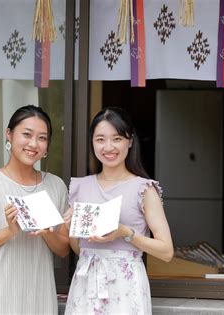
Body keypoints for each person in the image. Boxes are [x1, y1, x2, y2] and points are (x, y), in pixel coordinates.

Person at [64, 107, 174, 314]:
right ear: (92, 143)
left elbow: (166, 251)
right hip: (85, 284)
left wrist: (125, 232)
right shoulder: (81, 187)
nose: (108, 147)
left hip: (126, 286)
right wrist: (71, 228)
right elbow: (81, 249)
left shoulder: (143, 189)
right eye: (100, 139)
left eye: (116, 139)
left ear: (130, 141)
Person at [0, 105, 70, 314]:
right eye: (27, 135)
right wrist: (10, 231)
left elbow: (63, 249)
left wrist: (48, 233)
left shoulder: (56, 186)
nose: (33, 144)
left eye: (42, 138)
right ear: (9, 135)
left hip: (38, 293)